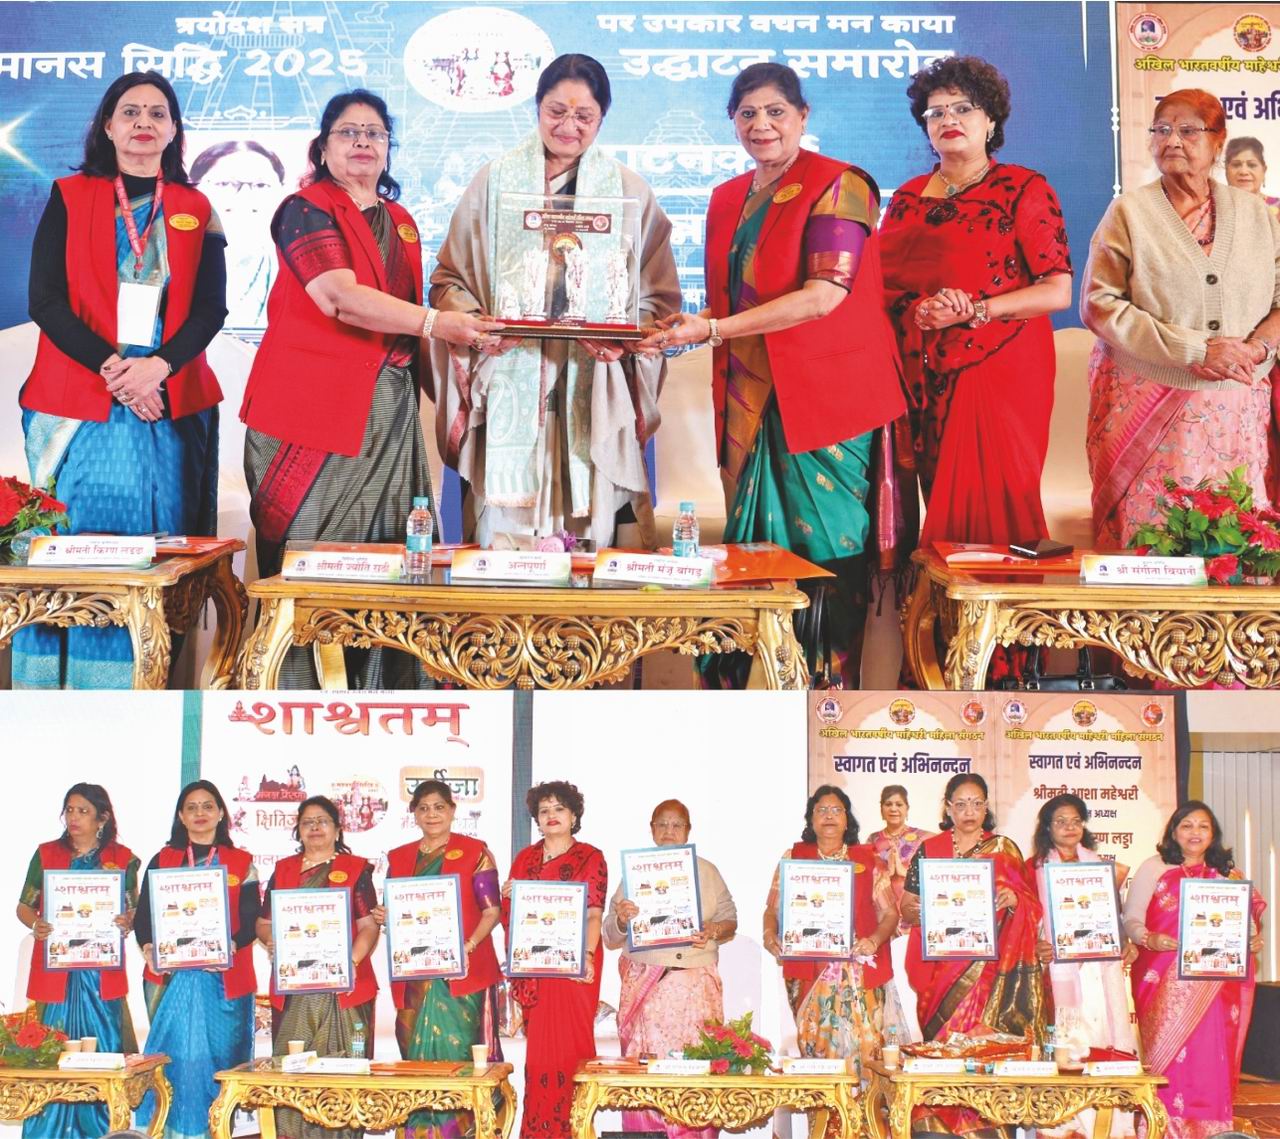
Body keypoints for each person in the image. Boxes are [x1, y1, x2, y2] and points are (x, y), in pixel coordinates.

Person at [640, 62, 905, 687]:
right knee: (752, 568)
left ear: (803, 116)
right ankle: (746, 700)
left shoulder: (841, 184)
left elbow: (824, 296)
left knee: (830, 557)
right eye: (748, 114)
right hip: (748, 403)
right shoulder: (727, 198)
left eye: (776, 112)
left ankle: (830, 698)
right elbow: (733, 303)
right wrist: (685, 327)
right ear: (732, 122)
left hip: (828, 405)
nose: (762, 125)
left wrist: (712, 331)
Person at [240, 89, 499, 688]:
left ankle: (386, 698)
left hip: (387, 417)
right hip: (309, 418)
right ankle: (294, 696)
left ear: (387, 148)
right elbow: (340, 298)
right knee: (311, 566)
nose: (362, 142)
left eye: (375, 133)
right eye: (348, 132)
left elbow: (408, 323)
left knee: (393, 562)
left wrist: (462, 393)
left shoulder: (400, 221)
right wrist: (440, 324)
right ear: (322, 147)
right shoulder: (303, 209)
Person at [16, 71, 226, 689]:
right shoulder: (70, 195)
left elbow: (211, 309)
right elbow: (45, 300)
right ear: (107, 126)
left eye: (157, 113)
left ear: (174, 129)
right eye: (130, 112)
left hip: (168, 396)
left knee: (160, 549)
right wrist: (117, 372)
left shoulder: (197, 209)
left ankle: (145, 690)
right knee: (82, 542)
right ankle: (61, 695)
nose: (143, 123)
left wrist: (157, 367)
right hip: (82, 395)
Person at [430, 53, 681, 549]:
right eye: (556, 112)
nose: (568, 126)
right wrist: (481, 328)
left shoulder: (629, 191)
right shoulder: (492, 183)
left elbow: (657, 297)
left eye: (583, 115)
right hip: (510, 374)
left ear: (602, 118)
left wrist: (625, 339)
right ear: (537, 109)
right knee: (507, 537)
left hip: (595, 380)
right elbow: (448, 281)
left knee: (590, 531)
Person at [880, 56, 1072, 550]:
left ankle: (1002, 598)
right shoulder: (905, 197)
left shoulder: (1024, 189)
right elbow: (881, 285)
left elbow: (1057, 289)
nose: (949, 119)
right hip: (922, 370)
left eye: (963, 108)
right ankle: (943, 596)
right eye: (936, 112)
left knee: (998, 500)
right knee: (937, 494)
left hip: (1000, 365)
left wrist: (977, 309)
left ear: (991, 120)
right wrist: (920, 310)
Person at [1081, 89, 1280, 549]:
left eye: (1189, 130)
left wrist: (1257, 349)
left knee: (1233, 543)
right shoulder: (1129, 212)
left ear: (1218, 141)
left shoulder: (1257, 215)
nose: (1172, 140)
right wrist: (1196, 350)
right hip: (1147, 402)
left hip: (1235, 408)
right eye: (1162, 129)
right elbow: (1099, 303)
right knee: (1154, 541)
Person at [900, 773, 1044, 1135]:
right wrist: (922, 912)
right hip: (938, 970)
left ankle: (987, 1125)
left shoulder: (1004, 849)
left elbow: (1031, 905)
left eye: (977, 803)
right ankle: (937, 1124)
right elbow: (906, 907)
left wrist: (1015, 901)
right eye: (961, 804)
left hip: (989, 975)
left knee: (983, 1047)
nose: (969, 811)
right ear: (948, 808)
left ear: (986, 807)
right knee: (943, 1050)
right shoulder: (929, 850)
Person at [1123, 801, 1265, 1139]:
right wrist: (1149, 938)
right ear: (1173, 832)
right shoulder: (1154, 867)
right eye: (1186, 825)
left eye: (1203, 826)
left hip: (1214, 983)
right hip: (1162, 979)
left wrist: (1251, 940)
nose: (1195, 832)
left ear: (1213, 833)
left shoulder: (1227, 874)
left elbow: (1245, 924)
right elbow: (1131, 918)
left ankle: (1212, 1130)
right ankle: (1161, 1127)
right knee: (1168, 1058)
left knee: (1210, 1057)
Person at [374, 780, 503, 1139]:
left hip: (462, 977)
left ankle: (461, 1132)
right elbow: (398, 912)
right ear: (414, 814)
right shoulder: (399, 858)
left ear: (452, 810)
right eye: (424, 808)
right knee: (416, 1061)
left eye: (439, 807)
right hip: (414, 976)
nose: (432, 814)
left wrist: (469, 944)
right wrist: (386, 916)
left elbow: (492, 911)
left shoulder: (475, 852)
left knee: (460, 1058)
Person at [603, 799, 737, 1139]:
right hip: (647, 994)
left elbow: (730, 920)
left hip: (695, 993)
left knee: (695, 1076)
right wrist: (621, 920)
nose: (669, 831)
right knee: (647, 1079)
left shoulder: (707, 872)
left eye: (677, 825)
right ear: (651, 830)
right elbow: (609, 935)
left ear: (688, 831)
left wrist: (713, 930)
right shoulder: (635, 874)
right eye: (662, 824)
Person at [133, 780, 259, 1139]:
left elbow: (252, 917)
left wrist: (230, 944)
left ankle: (215, 1132)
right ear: (181, 816)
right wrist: (148, 947)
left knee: (218, 1064)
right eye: (191, 807)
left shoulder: (242, 862)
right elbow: (144, 917)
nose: (200, 813)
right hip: (170, 978)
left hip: (224, 980)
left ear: (221, 813)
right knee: (174, 1060)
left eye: (207, 806)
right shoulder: (162, 860)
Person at [16, 784, 139, 1138]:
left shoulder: (123, 859)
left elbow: (135, 911)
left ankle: (102, 1131)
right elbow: (24, 906)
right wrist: (36, 924)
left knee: (103, 1053)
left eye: (83, 811)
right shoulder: (46, 854)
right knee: (50, 1054)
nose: (73, 817)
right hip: (56, 972)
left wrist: (127, 921)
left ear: (103, 818)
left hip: (100, 974)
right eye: (69, 810)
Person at [257, 796, 380, 1139]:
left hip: (345, 991)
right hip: (294, 990)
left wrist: (349, 963)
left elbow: (369, 926)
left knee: (342, 1077)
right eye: (307, 822)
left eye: (322, 821)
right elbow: (264, 923)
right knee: (292, 1073)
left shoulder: (356, 869)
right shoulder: (283, 870)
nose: (314, 827)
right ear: (297, 829)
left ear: (337, 829)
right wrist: (272, 940)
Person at [762, 785, 898, 1075]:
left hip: (858, 973)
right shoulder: (793, 858)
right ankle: (825, 1106)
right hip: (810, 971)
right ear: (811, 819)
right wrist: (769, 935)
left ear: (847, 820)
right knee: (817, 1052)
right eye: (821, 810)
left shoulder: (869, 860)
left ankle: (864, 1104)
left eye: (837, 810)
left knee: (866, 1049)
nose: (829, 816)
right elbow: (772, 910)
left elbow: (890, 913)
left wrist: (874, 940)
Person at [1029, 794, 1137, 1139]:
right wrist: (1037, 944)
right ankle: (1065, 1122)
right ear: (1047, 828)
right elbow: (1025, 922)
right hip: (1059, 971)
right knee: (1067, 1040)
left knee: (1102, 1037)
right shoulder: (1033, 870)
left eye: (1076, 820)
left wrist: (1125, 941)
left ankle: (1106, 1123)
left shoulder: (1100, 867)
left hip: (1099, 970)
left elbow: (1113, 915)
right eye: (1061, 821)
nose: (1069, 827)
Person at [501, 781, 606, 1139]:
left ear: (574, 815)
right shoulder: (524, 859)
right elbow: (512, 919)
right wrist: (508, 896)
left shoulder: (590, 857)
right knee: (541, 1059)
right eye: (544, 810)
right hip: (536, 970)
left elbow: (593, 914)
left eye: (559, 808)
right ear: (536, 818)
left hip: (574, 968)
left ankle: (575, 1131)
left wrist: (587, 955)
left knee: (572, 1054)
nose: (551, 815)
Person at [191, 139, 286, 329]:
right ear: (195, 189)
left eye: (261, 185)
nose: (245, 198)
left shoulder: (295, 269)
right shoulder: (168, 259)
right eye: (225, 183)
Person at [866, 784, 933, 1040]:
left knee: (911, 974)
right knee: (887, 974)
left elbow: (934, 875)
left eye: (899, 804)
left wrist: (902, 873)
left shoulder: (925, 839)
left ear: (907, 808)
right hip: (882, 919)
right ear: (881, 809)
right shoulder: (872, 841)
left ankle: (916, 1034)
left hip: (912, 919)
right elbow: (868, 878)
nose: (893, 808)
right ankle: (891, 1035)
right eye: (888, 804)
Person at [1225, 136, 1280, 218]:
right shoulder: (1213, 207)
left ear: (1264, 170)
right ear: (1226, 170)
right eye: (1236, 165)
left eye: (1252, 165)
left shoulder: (1278, 208)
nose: (1243, 172)